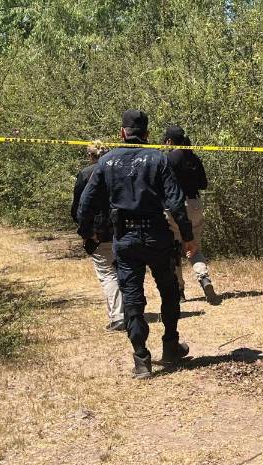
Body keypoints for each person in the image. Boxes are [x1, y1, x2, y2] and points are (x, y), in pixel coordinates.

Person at [78, 110, 197, 379]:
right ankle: (170, 344)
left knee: (132, 297)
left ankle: (141, 358)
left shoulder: (106, 162)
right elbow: (176, 202)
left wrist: (86, 233)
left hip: (125, 238)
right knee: (168, 291)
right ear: (147, 134)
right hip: (157, 235)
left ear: (122, 133)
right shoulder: (158, 159)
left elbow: (86, 202)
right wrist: (187, 236)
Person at [161, 125, 219, 305]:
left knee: (174, 250)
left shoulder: (168, 159)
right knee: (193, 247)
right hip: (195, 205)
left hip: (174, 207)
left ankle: (179, 291)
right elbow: (204, 184)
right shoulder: (193, 157)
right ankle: (204, 278)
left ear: (169, 141)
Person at [70, 141, 124, 331]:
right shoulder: (120, 171)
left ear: (90, 156)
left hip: (99, 231)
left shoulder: (86, 174)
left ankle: (118, 317)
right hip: (123, 227)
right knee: (122, 270)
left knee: (108, 274)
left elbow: (78, 207)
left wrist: (86, 231)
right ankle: (130, 311)